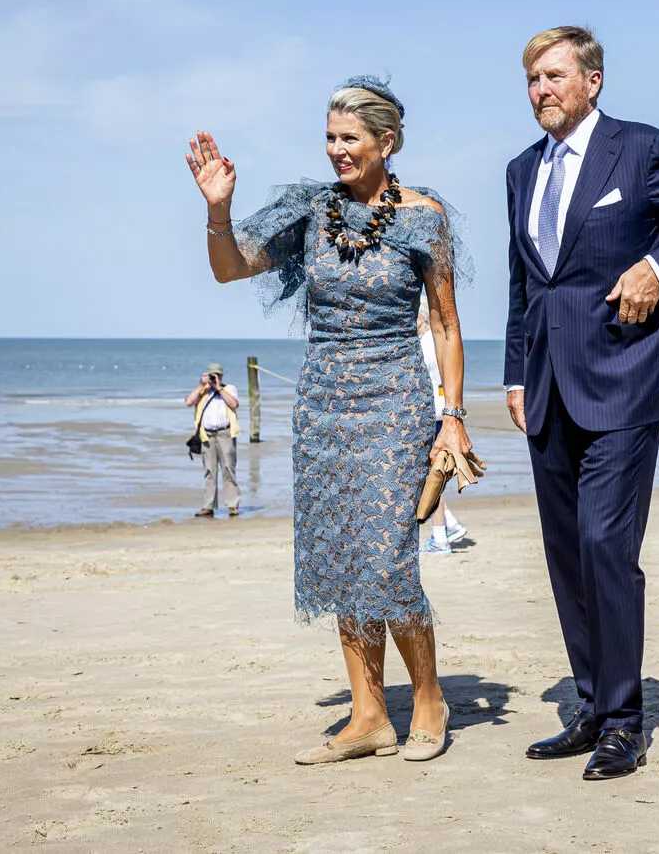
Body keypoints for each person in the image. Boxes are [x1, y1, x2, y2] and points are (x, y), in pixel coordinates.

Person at [185, 74, 472, 764]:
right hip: (322, 405)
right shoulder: (312, 212)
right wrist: (219, 210)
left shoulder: (424, 217)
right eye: (330, 138)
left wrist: (453, 417)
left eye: (350, 138)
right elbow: (231, 268)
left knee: (386, 556)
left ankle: (428, 697)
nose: (336, 150)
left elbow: (444, 323)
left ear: (387, 142)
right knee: (339, 555)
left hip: (395, 401)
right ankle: (368, 715)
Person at [504, 26, 659, 780]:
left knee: (606, 545)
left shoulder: (641, 150)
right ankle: (590, 708)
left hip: (624, 378)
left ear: (593, 81)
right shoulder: (521, 170)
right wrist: (515, 374)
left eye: (554, 76)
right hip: (545, 386)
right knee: (566, 553)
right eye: (532, 79)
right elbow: (525, 283)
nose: (541, 90)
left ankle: (623, 722)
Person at [417, 297, 469, 555]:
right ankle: (450, 526)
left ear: (424, 318)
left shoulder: (426, 344)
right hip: (441, 412)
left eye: (416, 319)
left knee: (432, 477)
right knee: (432, 475)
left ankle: (440, 537)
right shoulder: (433, 342)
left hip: (434, 414)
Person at [184, 363, 241, 517]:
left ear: (222, 376)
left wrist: (219, 388)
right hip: (206, 435)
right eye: (212, 375)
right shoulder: (202, 391)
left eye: (217, 375)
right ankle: (208, 506)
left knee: (228, 469)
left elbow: (234, 404)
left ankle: (233, 505)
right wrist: (201, 385)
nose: (215, 378)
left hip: (225, 433)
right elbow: (189, 402)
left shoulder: (229, 389)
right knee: (209, 471)